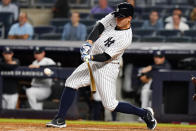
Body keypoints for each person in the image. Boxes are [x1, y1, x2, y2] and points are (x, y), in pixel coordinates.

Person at [46, 2, 157, 130]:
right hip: (94, 61)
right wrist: (88, 43)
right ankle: (60, 118)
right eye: (117, 15)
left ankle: (144, 113)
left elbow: (106, 57)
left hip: (107, 66)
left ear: (129, 19)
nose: (117, 19)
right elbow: (99, 26)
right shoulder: (113, 16)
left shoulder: (126, 38)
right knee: (71, 82)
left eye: (121, 17)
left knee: (110, 105)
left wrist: (90, 57)